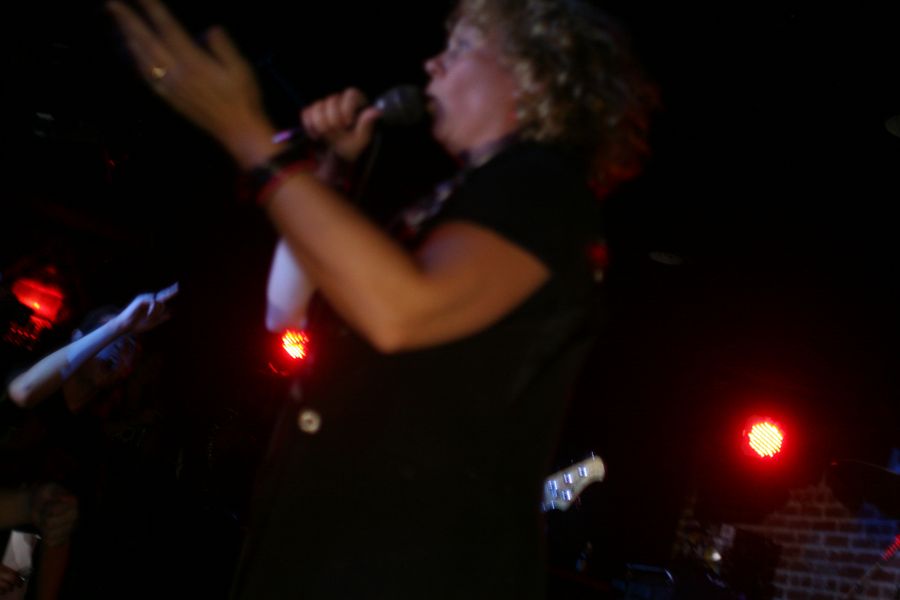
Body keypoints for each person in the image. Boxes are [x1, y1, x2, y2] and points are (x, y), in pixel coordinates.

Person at [106, 0, 657, 596]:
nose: (432, 65)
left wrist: (247, 134)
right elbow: (284, 309)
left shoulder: (544, 193)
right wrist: (327, 173)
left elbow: (402, 312)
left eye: (460, 48)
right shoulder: (451, 206)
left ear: (536, 77)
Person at [0, 283, 178, 598]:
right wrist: (119, 325)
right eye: (110, 335)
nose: (119, 346)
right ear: (79, 339)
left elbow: (52, 531)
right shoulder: (34, 387)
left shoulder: (91, 440)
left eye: (129, 344)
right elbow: (23, 392)